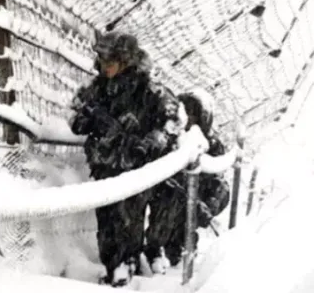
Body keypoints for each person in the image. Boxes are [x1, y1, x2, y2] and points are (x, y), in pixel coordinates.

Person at [69, 31, 184, 287]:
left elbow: (173, 121)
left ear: (126, 60)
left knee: (128, 223)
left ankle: (126, 270)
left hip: (136, 172)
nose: (105, 65)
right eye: (102, 59)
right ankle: (114, 269)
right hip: (104, 169)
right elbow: (75, 121)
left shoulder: (148, 89)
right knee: (107, 227)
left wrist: (153, 139)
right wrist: (93, 118)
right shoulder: (96, 89)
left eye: (111, 59)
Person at [144, 89, 230, 271]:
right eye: (187, 112)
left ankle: (181, 242)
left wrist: (207, 205)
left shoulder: (213, 145)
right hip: (168, 198)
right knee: (169, 203)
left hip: (196, 200)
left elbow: (218, 182)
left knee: (219, 191)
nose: (190, 118)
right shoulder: (170, 139)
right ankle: (157, 248)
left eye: (194, 113)